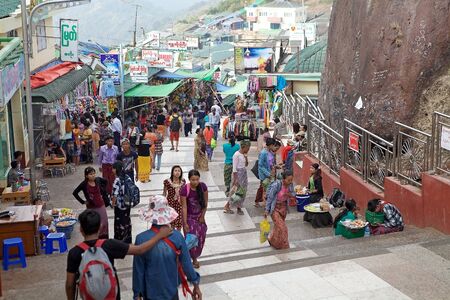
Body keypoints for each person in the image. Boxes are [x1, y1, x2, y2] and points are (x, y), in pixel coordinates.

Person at [66, 209, 172, 300]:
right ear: (100, 227)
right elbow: (140, 250)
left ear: (81, 230)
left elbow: (70, 285)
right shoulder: (109, 245)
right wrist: (159, 235)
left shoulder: (74, 253)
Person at [133, 195, 202, 300]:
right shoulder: (177, 237)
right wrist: (196, 284)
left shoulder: (141, 239)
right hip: (171, 292)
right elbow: (186, 264)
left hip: (150, 293)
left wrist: (137, 294)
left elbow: (138, 270)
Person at [180, 170, 208, 269]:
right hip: (189, 218)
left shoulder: (203, 187)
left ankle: (194, 257)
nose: (195, 182)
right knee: (191, 239)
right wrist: (185, 223)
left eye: (197, 179)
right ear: (189, 179)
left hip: (199, 217)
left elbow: (205, 203)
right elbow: (184, 207)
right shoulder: (184, 190)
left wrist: (202, 216)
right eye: (193, 180)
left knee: (200, 238)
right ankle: (191, 259)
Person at [73, 167, 110, 239]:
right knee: (94, 224)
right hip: (91, 208)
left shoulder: (98, 180)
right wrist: (83, 202)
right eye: (90, 174)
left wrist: (103, 191)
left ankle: (104, 240)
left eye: (94, 173)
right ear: (86, 176)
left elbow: (106, 181)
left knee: (104, 223)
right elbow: (75, 193)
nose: (93, 175)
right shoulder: (84, 184)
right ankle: (95, 239)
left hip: (101, 206)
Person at [264, 171, 296, 250]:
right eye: (288, 180)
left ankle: (272, 240)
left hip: (283, 208)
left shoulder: (290, 185)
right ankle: (285, 246)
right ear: (283, 179)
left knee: (277, 227)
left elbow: (293, 194)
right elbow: (270, 197)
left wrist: (290, 195)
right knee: (283, 228)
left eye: (291, 180)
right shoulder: (277, 185)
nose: (290, 182)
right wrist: (267, 210)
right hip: (275, 208)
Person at [223, 140, 251, 215]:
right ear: (243, 147)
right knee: (235, 192)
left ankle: (239, 207)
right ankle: (227, 206)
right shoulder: (236, 155)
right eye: (248, 148)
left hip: (243, 174)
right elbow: (234, 168)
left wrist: (246, 157)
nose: (248, 149)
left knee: (242, 191)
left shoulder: (243, 155)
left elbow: (246, 165)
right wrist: (236, 179)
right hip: (238, 175)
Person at [255, 138, 282, 207]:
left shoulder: (270, 152)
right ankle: (264, 203)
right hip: (265, 174)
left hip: (270, 173)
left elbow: (270, 163)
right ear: (270, 145)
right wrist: (268, 174)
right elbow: (260, 166)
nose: (274, 147)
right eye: (273, 145)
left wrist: (276, 166)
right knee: (264, 188)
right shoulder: (263, 153)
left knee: (267, 188)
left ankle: (264, 202)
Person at [111, 161, 134, 243]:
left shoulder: (117, 180)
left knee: (119, 222)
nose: (112, 170)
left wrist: (113, 204)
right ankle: (128, 238)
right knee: (127, 220)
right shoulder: (127, 177)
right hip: (127, 204)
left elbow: (115, 195)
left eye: (113, 168)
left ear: (116, 169)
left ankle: (119, 240)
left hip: (120, 205)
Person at [163, 166, 186, 231]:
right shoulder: (167, 182)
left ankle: (178, 236)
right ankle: (172, 237)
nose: (177, 172)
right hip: (170, 204)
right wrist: (163, 202)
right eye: (175, 170)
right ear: (172, 172)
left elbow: (184, 193)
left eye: (179, 171)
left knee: (179, 222)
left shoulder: (183, 181)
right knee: (171, 222)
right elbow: (164, 193)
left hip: (179, 204)